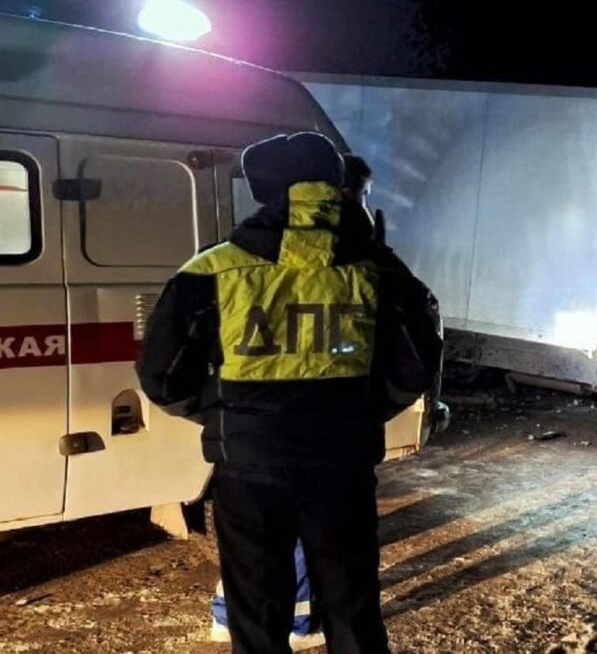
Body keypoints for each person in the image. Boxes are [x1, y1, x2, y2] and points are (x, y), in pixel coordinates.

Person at [137, 132, 443, 653]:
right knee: (352, 610)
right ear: (334, 185)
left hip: (249, 466)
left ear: (264, 192)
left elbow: (161, 376)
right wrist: (364, 412)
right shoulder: (379, 267)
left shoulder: (212, 269)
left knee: (257, 618)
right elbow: (417, 365)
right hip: (342, 464)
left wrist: (226, 414)